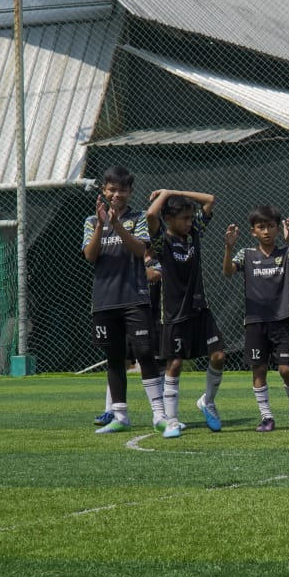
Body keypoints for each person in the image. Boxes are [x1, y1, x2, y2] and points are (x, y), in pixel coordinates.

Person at [82, 165, 165, 433]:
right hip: (105, 301)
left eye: (122, 190)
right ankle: (120, 416)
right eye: (112, 189)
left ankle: (159, 414)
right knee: (114, 357)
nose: (117, 194)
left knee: (143, 352)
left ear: (130, 191)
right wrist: (102, 225)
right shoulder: (91, 221)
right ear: (104, 190)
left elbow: (140, 249)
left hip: (134, 297)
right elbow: (90, 256)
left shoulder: (138, 217)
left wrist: (116, 224)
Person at [146, 188, 227, 438]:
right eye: (184, 218)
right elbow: (151, 214)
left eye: (191, 218)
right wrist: (164, 197)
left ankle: (208, 402)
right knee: (176, 363)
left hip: (199, 308)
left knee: (219, 357)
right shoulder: (162, 239)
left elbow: (211, 199)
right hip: (173, 312)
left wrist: (173, 191)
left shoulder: (194, 234)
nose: (190, 222)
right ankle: (171, 420)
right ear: (169, 220)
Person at [224, 204, 289, 432]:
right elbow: (228, 272)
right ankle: (267, 417)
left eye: (271, 226)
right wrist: (229, 248)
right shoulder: (246, 254)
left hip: (280, 320)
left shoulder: (285, 253)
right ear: (253, 231)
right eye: (261, 227)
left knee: (285, 370)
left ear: (278, 229)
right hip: (254, 321)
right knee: (258, 369)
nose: (267, 231)